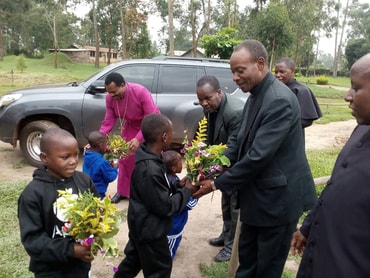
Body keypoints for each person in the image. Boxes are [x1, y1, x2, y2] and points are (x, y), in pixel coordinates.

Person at [193, 39, 317, 278]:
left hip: (277, 203)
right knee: (247, 264)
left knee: (265, 270)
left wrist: (217, 184)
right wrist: (213, 168)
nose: (235, 78)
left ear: (260, 64)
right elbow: (238, 141)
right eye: (233, 73)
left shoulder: (279, 99)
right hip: (257, 199)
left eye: (240, 71)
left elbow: (258, 157)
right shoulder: (254, 96)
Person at [291, 53, 370, 277]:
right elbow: (335, 185)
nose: (347, 96)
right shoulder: (362, 129)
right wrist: (308, 227)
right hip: (319, 259)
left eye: (356, 88)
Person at [113, 113, 197, 278]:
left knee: (132, 263)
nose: (173, 136)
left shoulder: (151, 157)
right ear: (164, 137)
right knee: (160, 270)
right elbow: (165, 207)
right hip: (151, 231)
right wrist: (187, 191)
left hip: (141, 226)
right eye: (172, 133)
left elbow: (153, 191)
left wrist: (175, 185)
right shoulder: (150, 170)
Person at [18, 128, 99, 278]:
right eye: (65, 157)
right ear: (44, 158)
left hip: (80, 266)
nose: (73, 161)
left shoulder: (84, 181)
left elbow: (96, 211)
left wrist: (96, 234)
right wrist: (71, 250)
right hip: (50, 270)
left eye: (76, 154)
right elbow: (32, 241)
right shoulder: (33, 194)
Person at [196, 75, 244, 262]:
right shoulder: (210, 108)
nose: (204, 103)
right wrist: (201, 159)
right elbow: (207, 136)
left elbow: (234, 147)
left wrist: (214, 168)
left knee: (234, 205)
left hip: (236, 162)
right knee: (225, 200)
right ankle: (226, 235)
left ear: (218, 92)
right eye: (200, 99)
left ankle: (232, 245)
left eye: (207, 98)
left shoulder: (235, 112)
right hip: (222, 161)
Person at [99, 72, 160, 203]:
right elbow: (108, 120)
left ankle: (146, 192)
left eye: (114, 92)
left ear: (123, 85)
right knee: (124, 158)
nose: (111, 95)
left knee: (147, 159)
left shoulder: (140, 92)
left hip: (151, 124)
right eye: (109, 92)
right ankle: (123, 191)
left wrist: (138, 138)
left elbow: (150, 117)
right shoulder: (110, 98)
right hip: (130, 126)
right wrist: (99, 138)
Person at [163, 150, 198, 259]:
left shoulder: (166, 179)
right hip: (173, 226)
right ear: (173, 168)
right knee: (167, 252)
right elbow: (190, 204)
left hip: (166, 225)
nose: (182, 164)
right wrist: (196, 193)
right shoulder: (173, 183)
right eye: (179, 162)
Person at [274, 57, 322, 131]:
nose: (278, 75)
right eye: (276, 72)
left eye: (282, 72)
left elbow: (306, 121)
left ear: (292, 71)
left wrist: (281, 125)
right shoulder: (274, 89)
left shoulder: (301, 90)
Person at [83, 130, 118, 199]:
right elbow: (110, 177)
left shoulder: (86, 154)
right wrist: (115, 166)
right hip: (98, 192)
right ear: (100, 145)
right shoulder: (102, 162)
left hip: (87, 188)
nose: (107, 146)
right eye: (106, 144)